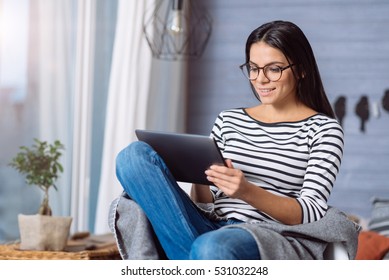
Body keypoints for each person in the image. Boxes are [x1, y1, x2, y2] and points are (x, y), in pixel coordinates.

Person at [113, 20, 359, 260]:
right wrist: (201, 176)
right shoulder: (228, 120)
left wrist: (246, 191)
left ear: (301, 69)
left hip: (266, 235)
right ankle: (194, 260)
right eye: (253, 68)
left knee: (212, 247)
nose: (260, 79)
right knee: (133, 157)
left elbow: (311, 212)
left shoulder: (323, 129)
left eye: (274, 69)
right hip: (207, 225)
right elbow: (205, 202)